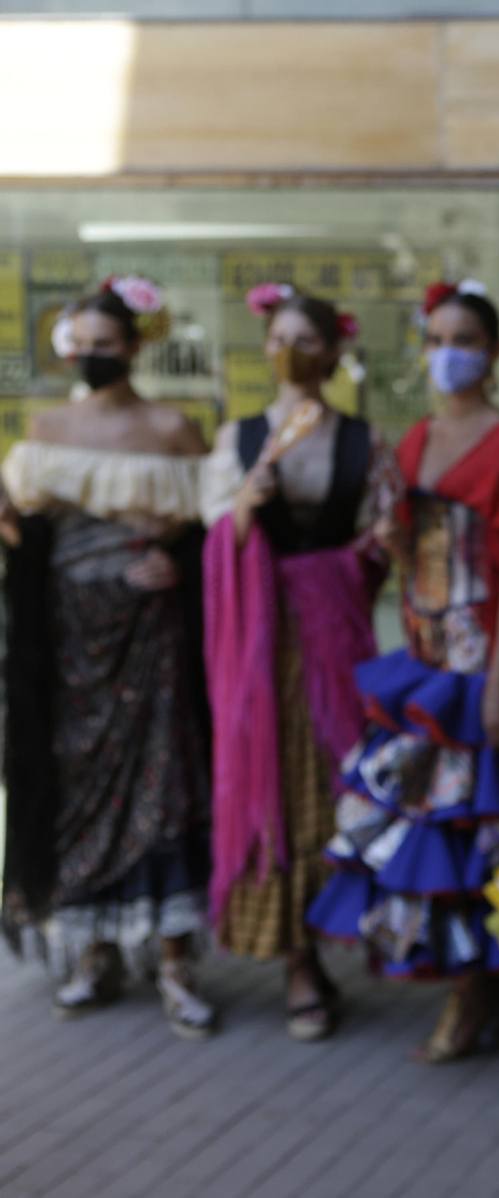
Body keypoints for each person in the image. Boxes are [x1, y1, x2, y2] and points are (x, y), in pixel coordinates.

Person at [306, 280, 499, 1063]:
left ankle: (480, 994)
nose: (446, 352)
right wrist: (388, 539)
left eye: (464, 338)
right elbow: (407, 552)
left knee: (477, 826)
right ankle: (477, 992)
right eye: (435, 337)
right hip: (422, 650)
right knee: (433, 822)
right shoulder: (414, 439)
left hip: (482, 649)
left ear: (492, 351)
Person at [0, 277, 215, 1038]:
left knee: (167, 780)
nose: (91, 357)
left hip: (150, 634)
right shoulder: (45, 423)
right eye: (79, 346)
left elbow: (214, 529)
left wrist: (181, 560)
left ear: (134, 346)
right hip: (67, 635)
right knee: (73, 777)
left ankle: (175, 958)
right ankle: (90, 953)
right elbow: (26, 533)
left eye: (105, 345)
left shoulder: (174, 428)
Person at [200, 282, 395, 1041]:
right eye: (278, 337)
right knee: (271, 776)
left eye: (306, 340)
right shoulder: (239, 437)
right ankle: (297, 962)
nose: (289, 351)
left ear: (334, 351)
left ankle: (351, 931)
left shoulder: (361, 439)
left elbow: (381, 536)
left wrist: (360, 559)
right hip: (261, 638)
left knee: (337, 773)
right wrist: (246, 506)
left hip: (335, 627)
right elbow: (214, 536)